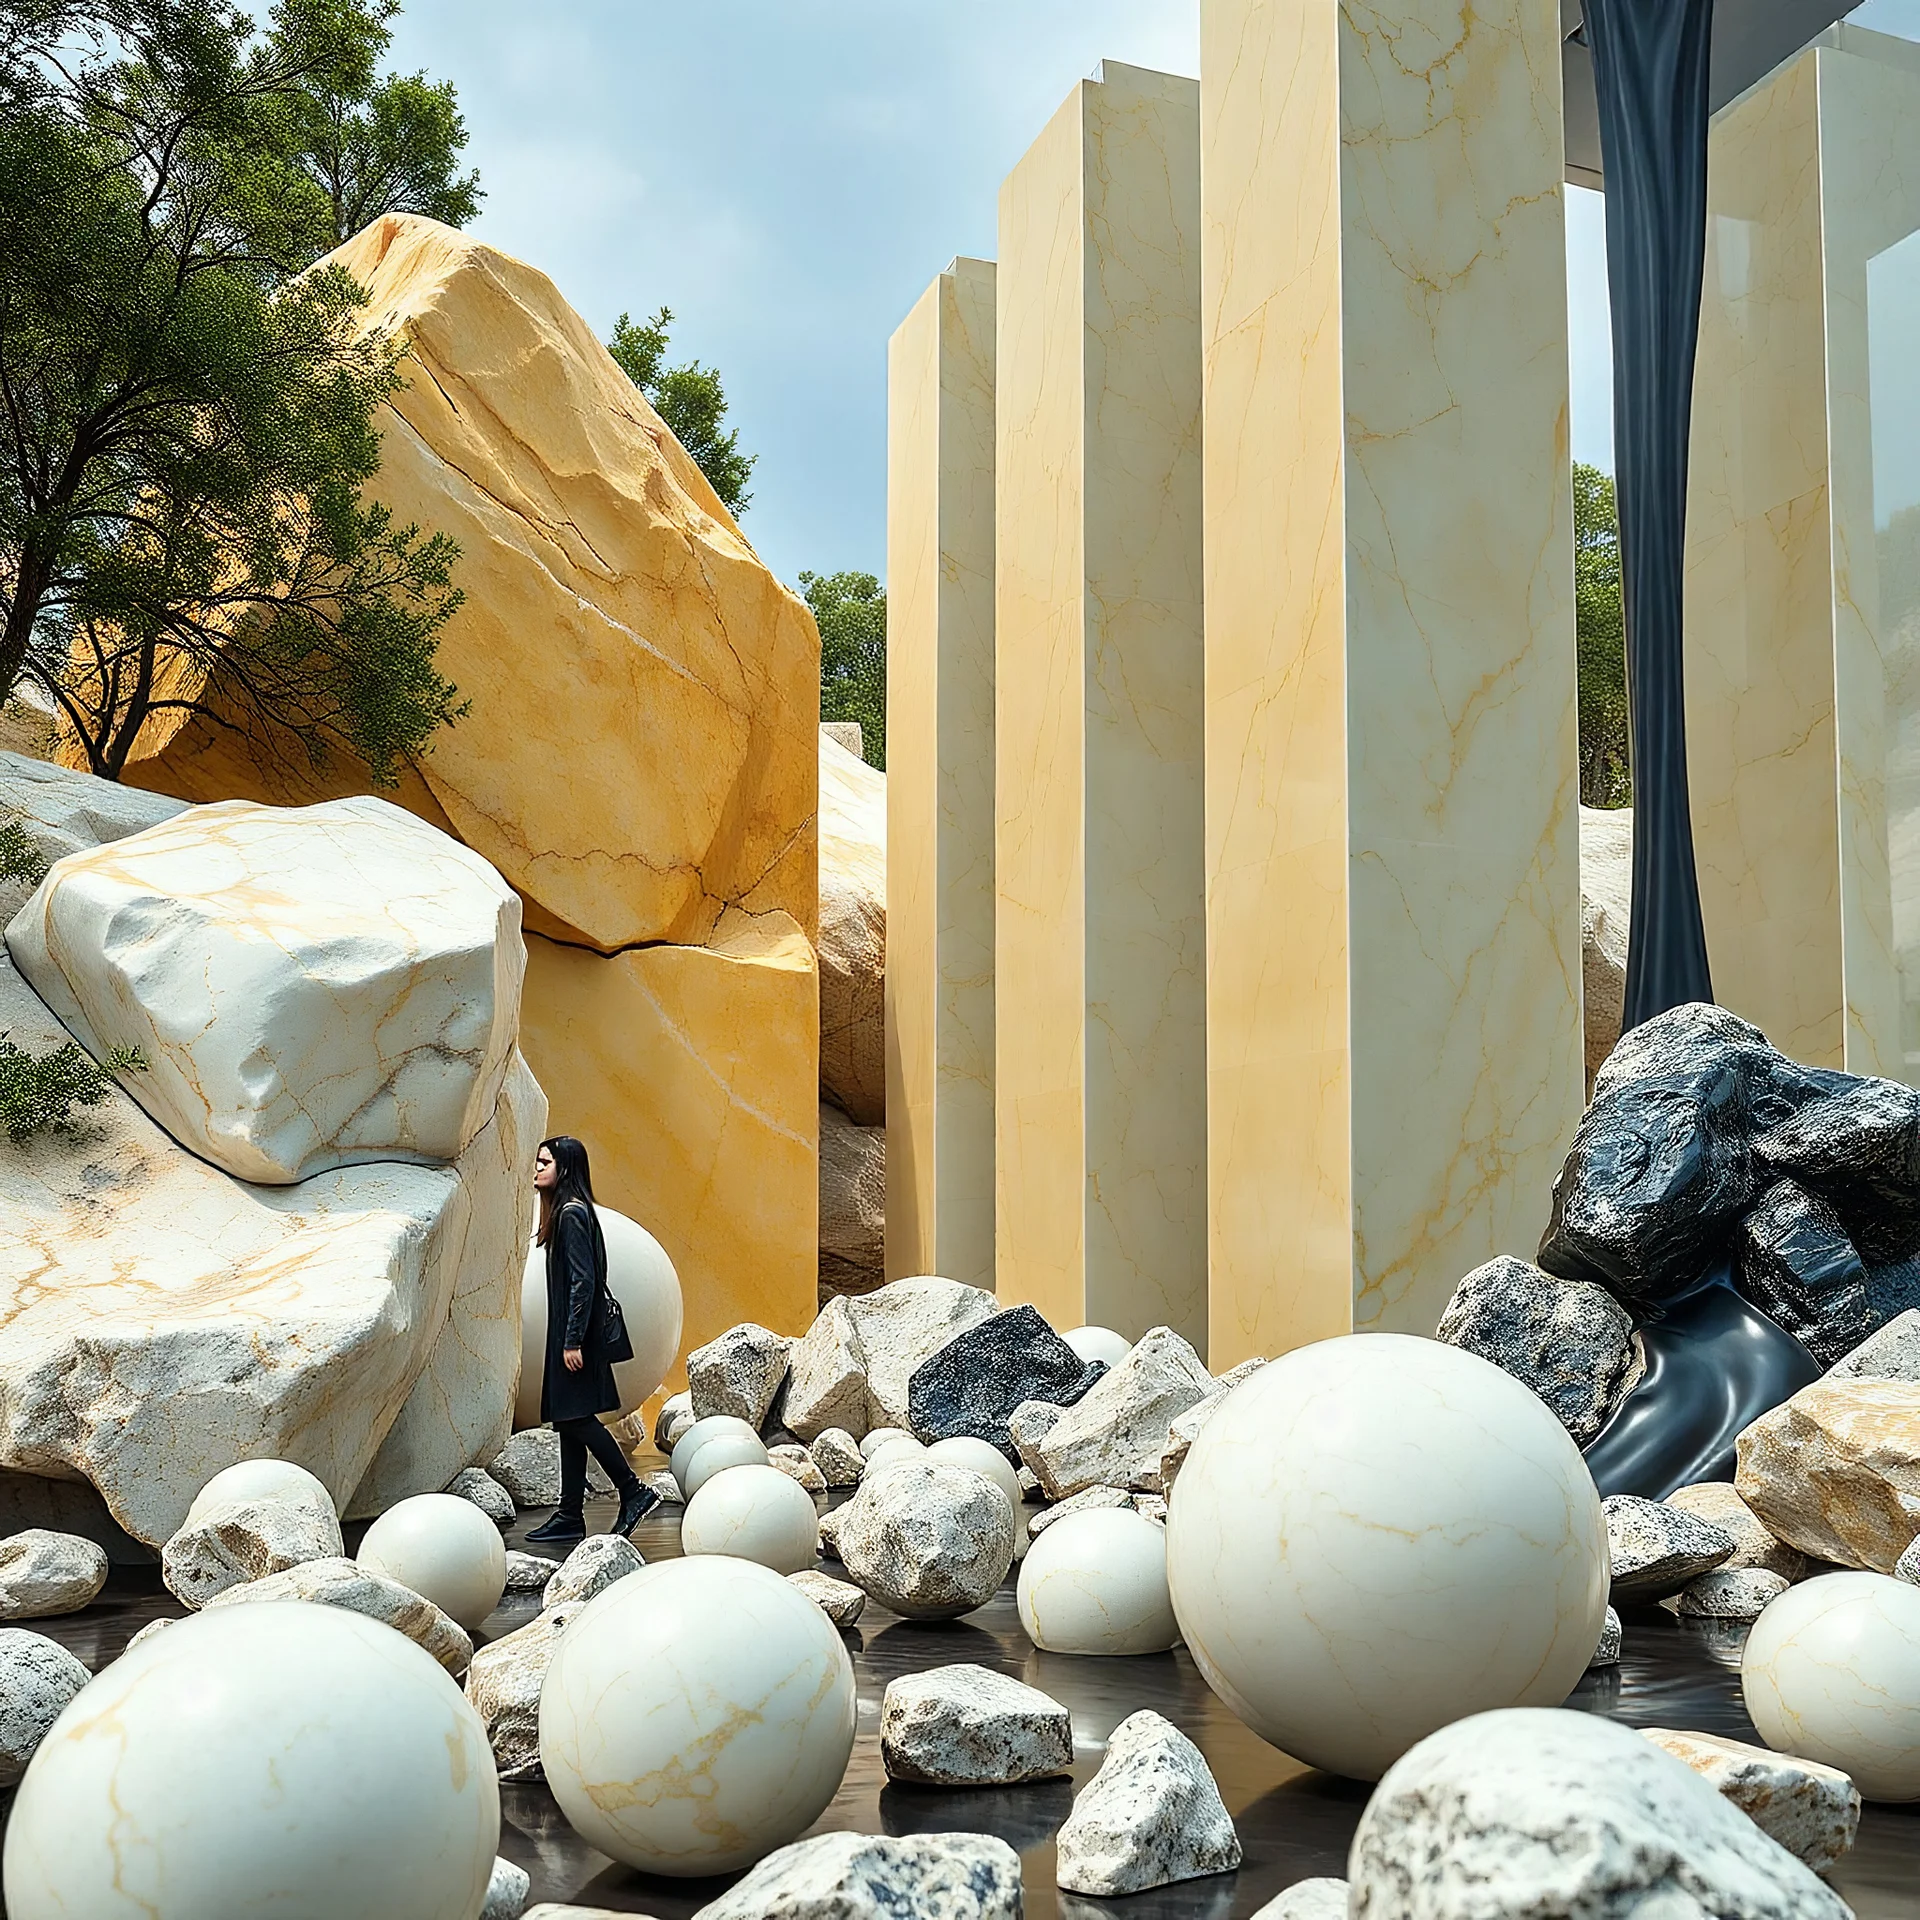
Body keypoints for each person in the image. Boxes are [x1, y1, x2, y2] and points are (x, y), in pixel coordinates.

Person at [524, 1135, 656, 1545]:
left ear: (564, 1168)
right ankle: (569, 1514)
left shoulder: (571, 1215)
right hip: (569, 1332)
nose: (537, 1169)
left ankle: (633, 1491)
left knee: (577, 1418)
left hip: (574, 1336)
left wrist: (572, 1341)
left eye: (544, 1163)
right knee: (569, 1419)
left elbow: (584, 1282)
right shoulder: (567, 1213)